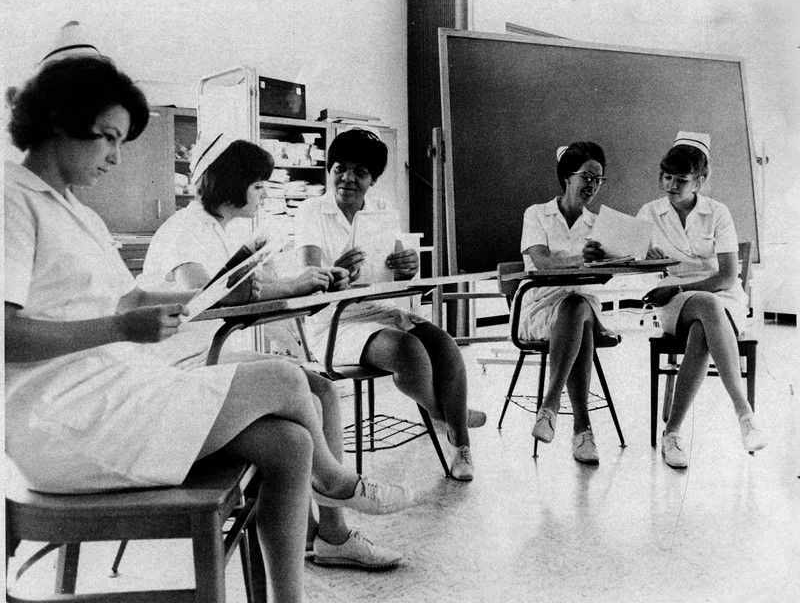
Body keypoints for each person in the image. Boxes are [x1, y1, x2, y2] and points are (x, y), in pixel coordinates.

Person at [4, 56, 411, 603]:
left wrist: (199, 297)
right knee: (289, 380)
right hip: (65, 416)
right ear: (58, 121)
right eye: (107, 137)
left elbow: (131, 297)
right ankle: (337, 483)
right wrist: (122, 327)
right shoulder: (12, 199)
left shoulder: (77, 212)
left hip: (114, 391)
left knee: (290, 443)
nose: (116, 156)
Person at [142, 134, 403, 569]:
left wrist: (314, 282)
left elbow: (253, 293)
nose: (264, 195)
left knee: (320, 389)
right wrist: (295, 284)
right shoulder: (183, 231)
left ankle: (333, 533)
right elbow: (210, 296)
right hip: (183, 368)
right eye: (259, 185)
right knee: (299, 391)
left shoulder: (228, 229)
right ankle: (336, 498)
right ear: (233, 182)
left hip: (213, 356)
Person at [294, 128, 486, 481]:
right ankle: (449, 417)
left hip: (380, 310)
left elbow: (396, 272)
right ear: (329, 169)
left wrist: (408, 265)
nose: (348, 178)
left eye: (360, 172)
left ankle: (461, 446)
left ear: (373, 180)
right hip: (335, 321)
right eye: (340, 168)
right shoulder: (311, 211)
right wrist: (333, 272)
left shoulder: (383, 210)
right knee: (408, 351)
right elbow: (309, 278)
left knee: (443, 343)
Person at [637, 131, 768, 468]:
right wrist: (641, 258)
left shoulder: (718, 212)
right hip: (673, 305)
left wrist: (679, 288)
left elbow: (727, 276)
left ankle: (673, 433)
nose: (671, 185)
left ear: (700, 181)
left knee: (704, 326)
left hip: (719, 295)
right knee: (708, 311)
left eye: (681, 179)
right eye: (666, 177)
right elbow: (627, 257)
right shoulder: (649, 213)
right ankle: (744, 414)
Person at [521, 141, 620, 465]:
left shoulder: (599, 225)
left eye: (598, 180)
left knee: (578, 306)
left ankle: (549, 408)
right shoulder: (536, 214)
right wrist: (581, 260)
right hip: (540, 304)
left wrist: (609, 259)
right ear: (567, 176)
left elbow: (613, 268)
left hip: (581, 303)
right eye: (586, 177)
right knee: (579, 316)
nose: (592, 186)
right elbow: (541, 262)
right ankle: (582, 430)